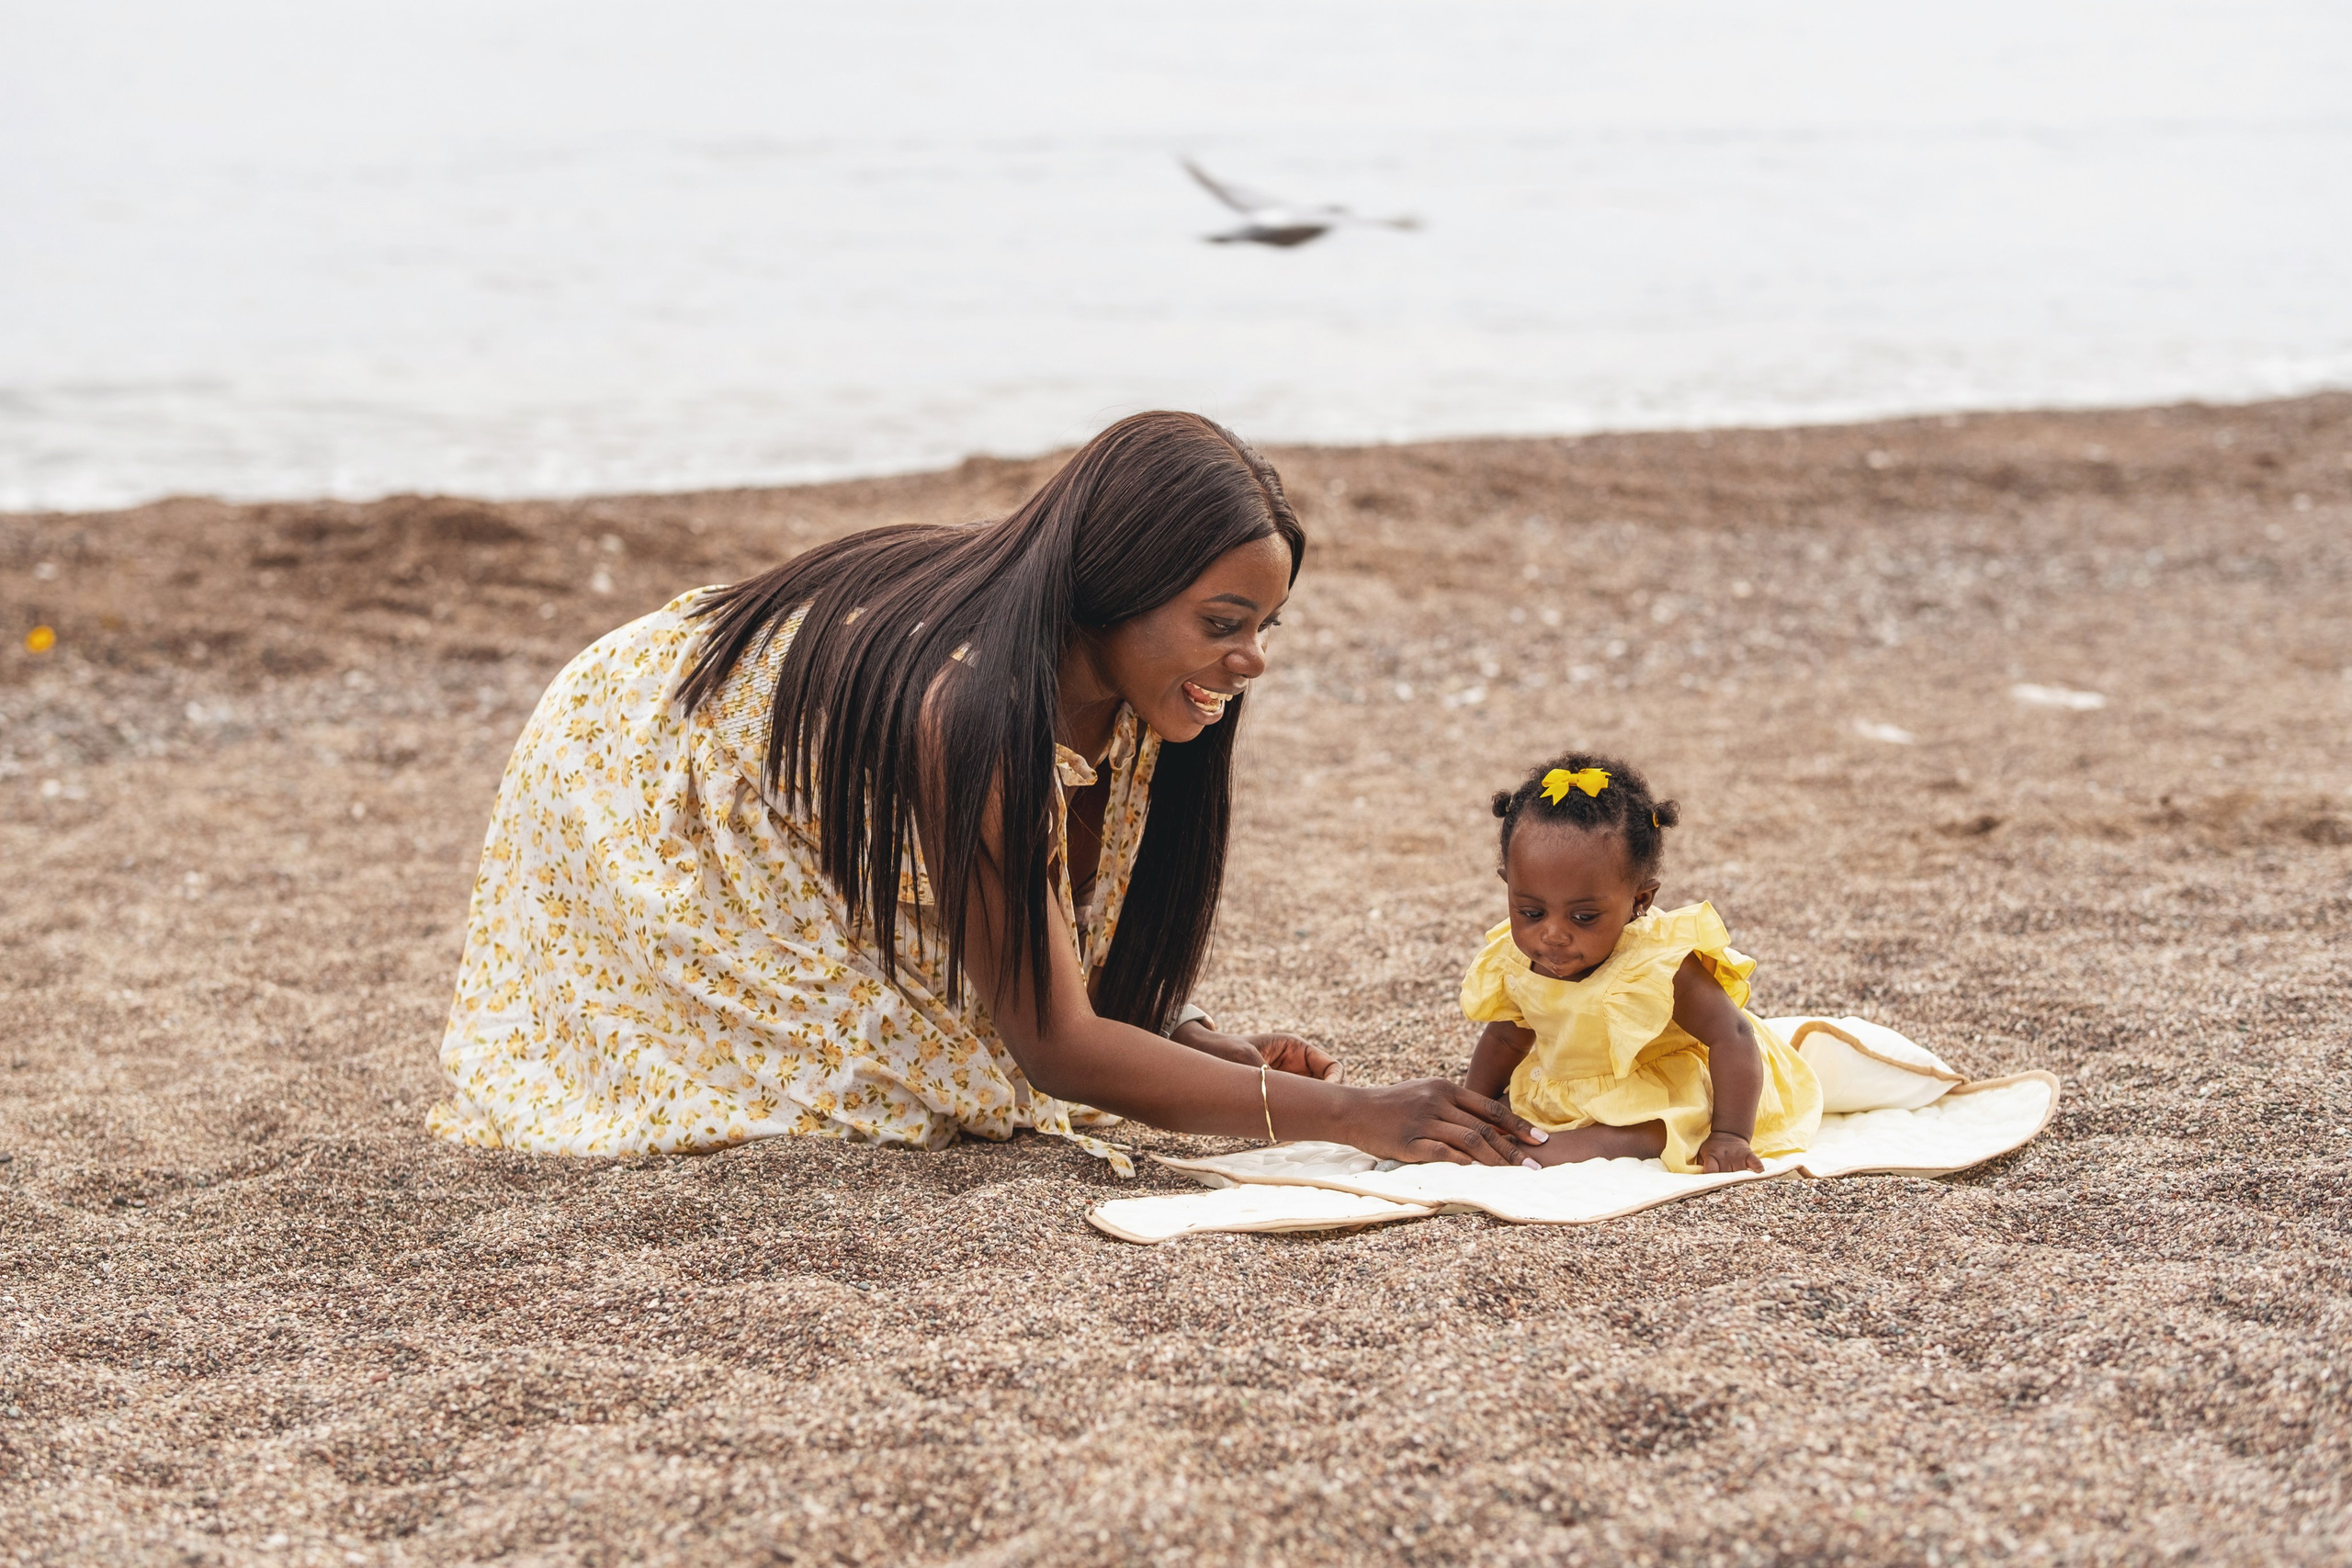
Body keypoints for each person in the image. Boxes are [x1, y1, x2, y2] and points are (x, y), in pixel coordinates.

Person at [428, 411, 1544, 1173]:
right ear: (1113, 588)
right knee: (893, 1089)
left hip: (813, 729)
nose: (1249, 660)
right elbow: (1054, 1043)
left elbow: (1050, 922)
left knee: (980, 1055)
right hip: (647, 749)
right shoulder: (967, 707)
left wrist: (1190, 1042)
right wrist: (1359, 1117)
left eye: (1264, 627)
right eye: (1221, 624)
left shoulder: (1138, 687)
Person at [1460, 753, 1822, 1173]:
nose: (1553, 934)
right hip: (1575, 1082)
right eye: (1530, 911)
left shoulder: (1655, 965)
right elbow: (1506, 1040)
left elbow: (1733, 1035)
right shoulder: (1518, 958)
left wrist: (1730, 1134)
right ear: (1510, 887)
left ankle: (1554, 1152)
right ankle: (1545, 1137)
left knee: (1653, 1130)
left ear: (1639, 901)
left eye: (1583, 917)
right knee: (1512, 1110)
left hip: (1670, 1084)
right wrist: (1476, 1108)